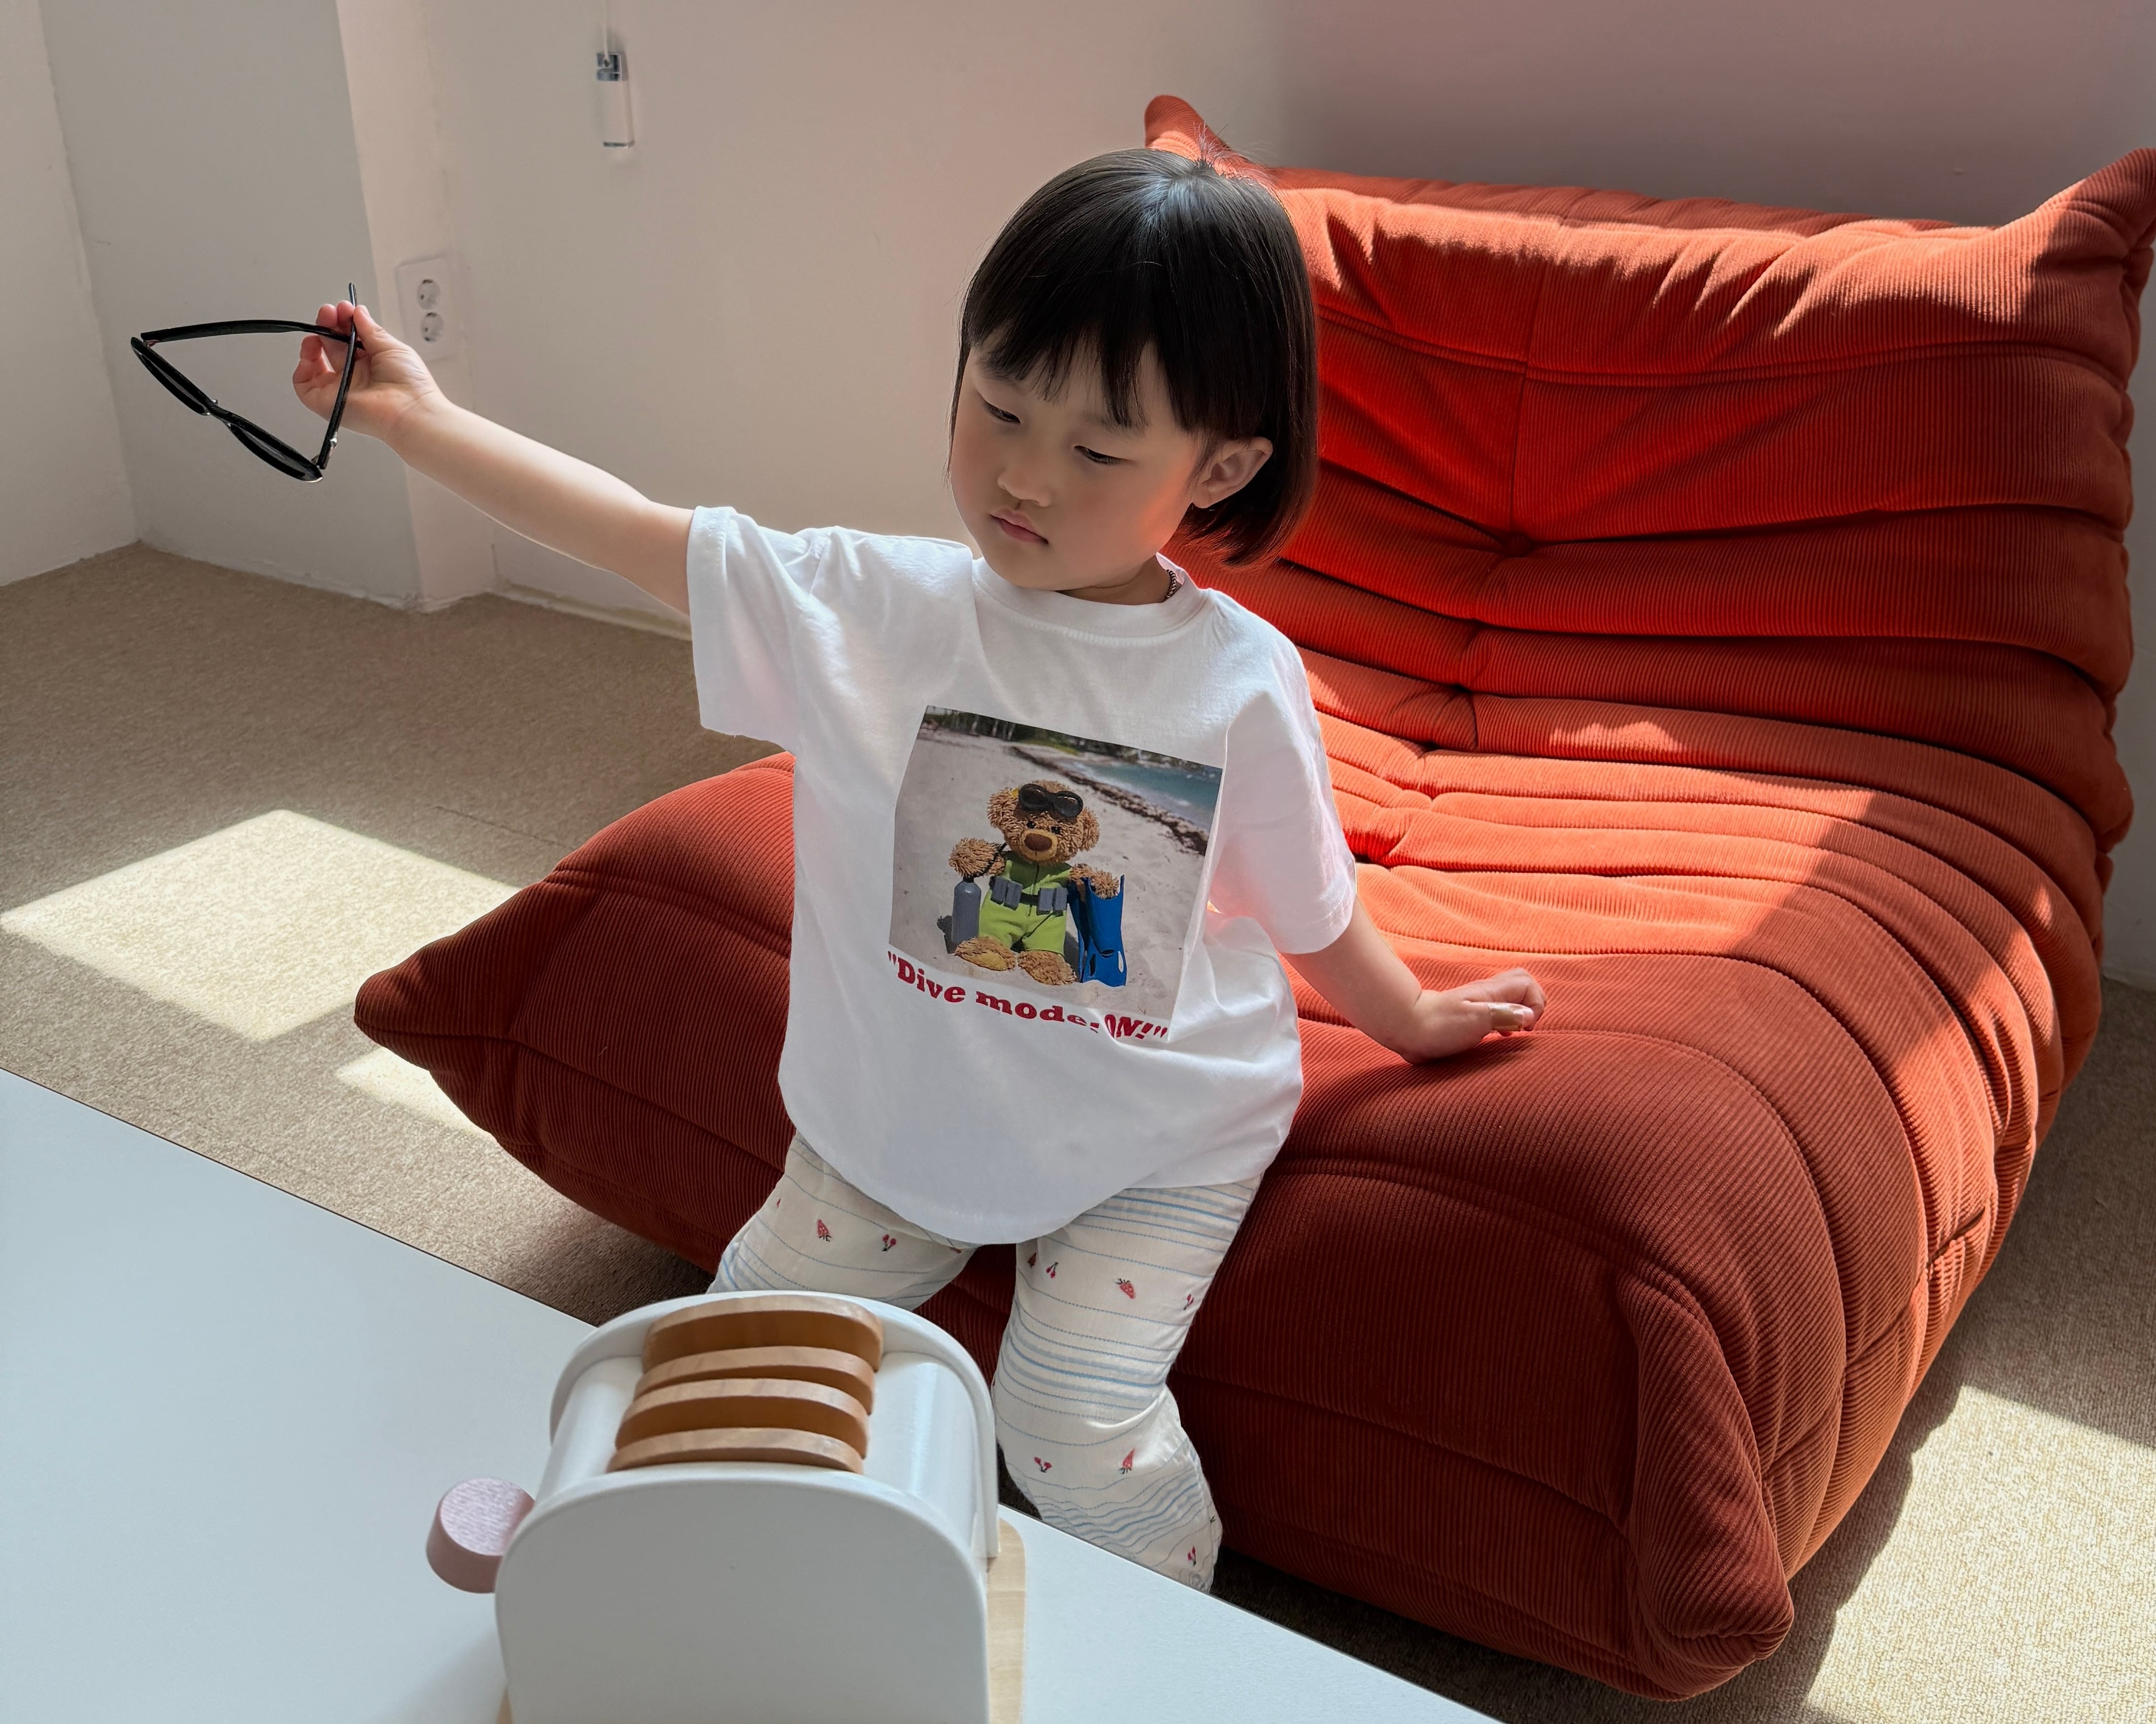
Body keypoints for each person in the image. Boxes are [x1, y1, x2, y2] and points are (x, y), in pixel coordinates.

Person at [295, 147, 1545, 1590]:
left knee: (1066, 1423)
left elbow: (1308, 902)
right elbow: (634, 533)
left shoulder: (1236, 681)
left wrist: (1411, 1018)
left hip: (1154, 1140)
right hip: (892, 1129)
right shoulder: (862, 607)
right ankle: (639, 1558)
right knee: (729, 1348)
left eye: (1098, 450)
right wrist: (414, 419)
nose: (1023, 473)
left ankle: (1179, 1645)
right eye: (999, 405)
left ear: (1220, 467)